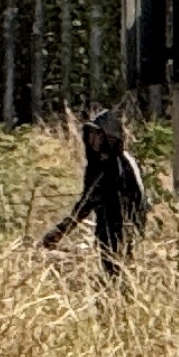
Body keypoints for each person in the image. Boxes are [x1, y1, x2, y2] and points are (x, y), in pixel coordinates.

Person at [41, 110, 148, 277]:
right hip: (106, 231)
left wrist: (60, 231)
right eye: (90, 134)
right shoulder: (98, 164)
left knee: (118, 275)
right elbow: (88, 200)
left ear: (109, 137)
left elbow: (88, 203)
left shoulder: (117, 165)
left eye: (97, 134)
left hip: (122, 231)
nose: (92, 139)